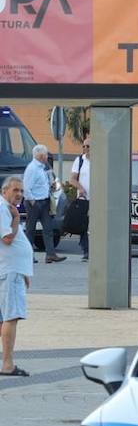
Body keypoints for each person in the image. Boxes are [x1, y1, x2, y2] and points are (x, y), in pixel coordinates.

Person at [1, 176, 33, 376]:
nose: (19, 194)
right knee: (11, 317)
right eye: (15, 190)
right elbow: (8, 238)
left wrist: (25, 271)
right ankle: (7, 364)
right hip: (10, 272)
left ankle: (6, 361)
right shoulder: (5, 210)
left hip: (12, 271)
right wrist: (16, 219)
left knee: (5, 318)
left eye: (21, 191)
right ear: (5, 191)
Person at [22, 144, 62, 264]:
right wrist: (33, 201)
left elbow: (44, 182)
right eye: (45, 154)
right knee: (30, 230)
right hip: (34, 203)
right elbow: (26, 187)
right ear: (40, 155)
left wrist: (52, 186)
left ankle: (50, 254)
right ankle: (28, 257)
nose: (47, 156)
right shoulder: (32, 168)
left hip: (45, 201)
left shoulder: (43, 167)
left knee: (48, 229)